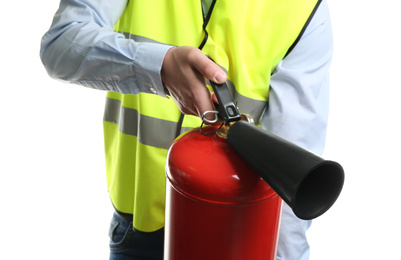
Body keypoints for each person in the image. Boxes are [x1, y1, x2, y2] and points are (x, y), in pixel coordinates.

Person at [40, 0, 333, 259]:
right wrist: (158, 67)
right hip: (139, 234)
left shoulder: (305, 8)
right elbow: (61, 42)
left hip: (236, 240)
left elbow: (292, 176)